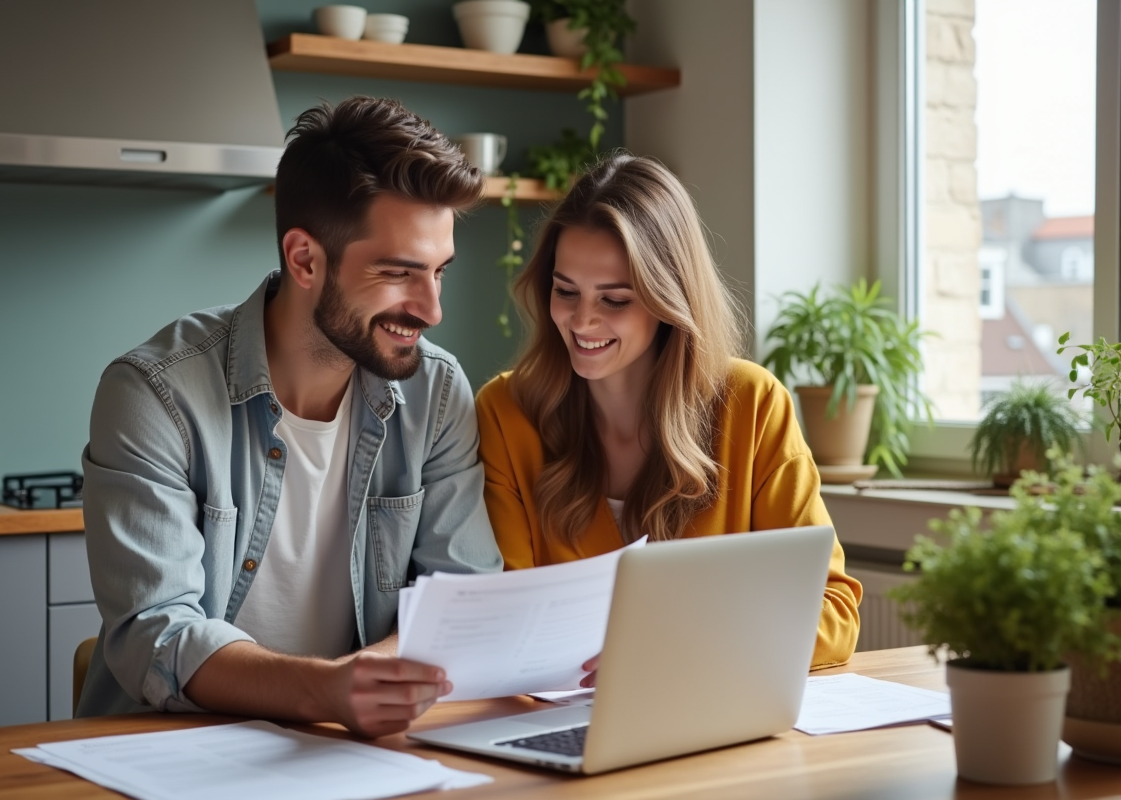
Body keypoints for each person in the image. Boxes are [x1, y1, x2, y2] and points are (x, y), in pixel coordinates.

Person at [77, 97, 503, 737]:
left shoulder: (435, 391)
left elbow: (462, 600)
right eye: (399, 273)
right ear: (304, 259)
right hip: (172, 755)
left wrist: (356, 689)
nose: (431, 309)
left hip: (348, 752)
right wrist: (325, 693)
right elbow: (156, 632)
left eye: (439, 273)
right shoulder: (155, 394)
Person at [475, 153, 862, 678]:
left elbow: (833, 612)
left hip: (708, 722)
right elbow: (505, 617)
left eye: (614, 300)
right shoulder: (505, 413)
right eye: (565, 291)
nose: (582, 320)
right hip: (557, 724)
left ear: (668, 300)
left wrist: (683, 648)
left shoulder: (751, 404)